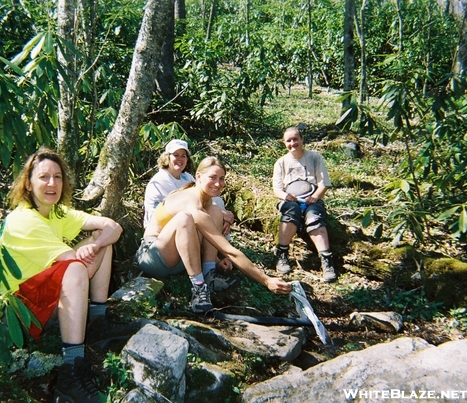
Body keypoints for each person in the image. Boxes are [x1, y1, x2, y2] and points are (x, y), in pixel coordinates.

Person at [0, 147, 123, 403]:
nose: (52, 183)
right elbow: (74, 264)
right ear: (29, 184)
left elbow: (113, 226)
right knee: (76, 267)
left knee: (102, 238)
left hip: (44, 297)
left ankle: (98, 322)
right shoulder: (22, 220)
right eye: (43, 177)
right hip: (21, 313)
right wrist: (90, 250)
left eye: (57, 177)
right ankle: (71, 369)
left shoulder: (56, 212)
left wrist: (96, 245)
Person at [136, 156, 293, 313]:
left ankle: (209, 271)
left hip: (180, 258)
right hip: (154, 257)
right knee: (185, 218)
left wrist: (216, 260)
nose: (218, 184)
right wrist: (266, 280)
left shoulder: (207, 201)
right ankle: (199, 287)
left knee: (216, 211)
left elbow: (197, 237)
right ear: (198, 176)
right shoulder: (191, 201)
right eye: (212, 177)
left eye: (221, 178)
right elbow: (229, 250)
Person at [143, 139, 236, 292]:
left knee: (216, 204)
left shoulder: (187, 178)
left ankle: (212, 264)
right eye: (176, 155)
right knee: (191, 216)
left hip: (186, 232)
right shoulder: (160, 182)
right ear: (167, 157)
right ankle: (204, 278)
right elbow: (170, 217)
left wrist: (222, 214)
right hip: (163, 239)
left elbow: (204, 207)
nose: (180, 159)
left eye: (184, 156)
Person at [272, 127, 337, 282]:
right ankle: (282, 254)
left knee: (314, 217)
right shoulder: (281, 163)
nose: (293, 143)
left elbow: (324, 183)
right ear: (284, 143)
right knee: (291, 212)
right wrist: (285, 196)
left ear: (302, 139)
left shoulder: (315, 157)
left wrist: (315, 197)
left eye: (295, 139)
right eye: (289, 140)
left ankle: (327, 261)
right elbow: (277, 188)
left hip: (312, 198)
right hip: (290, 200)